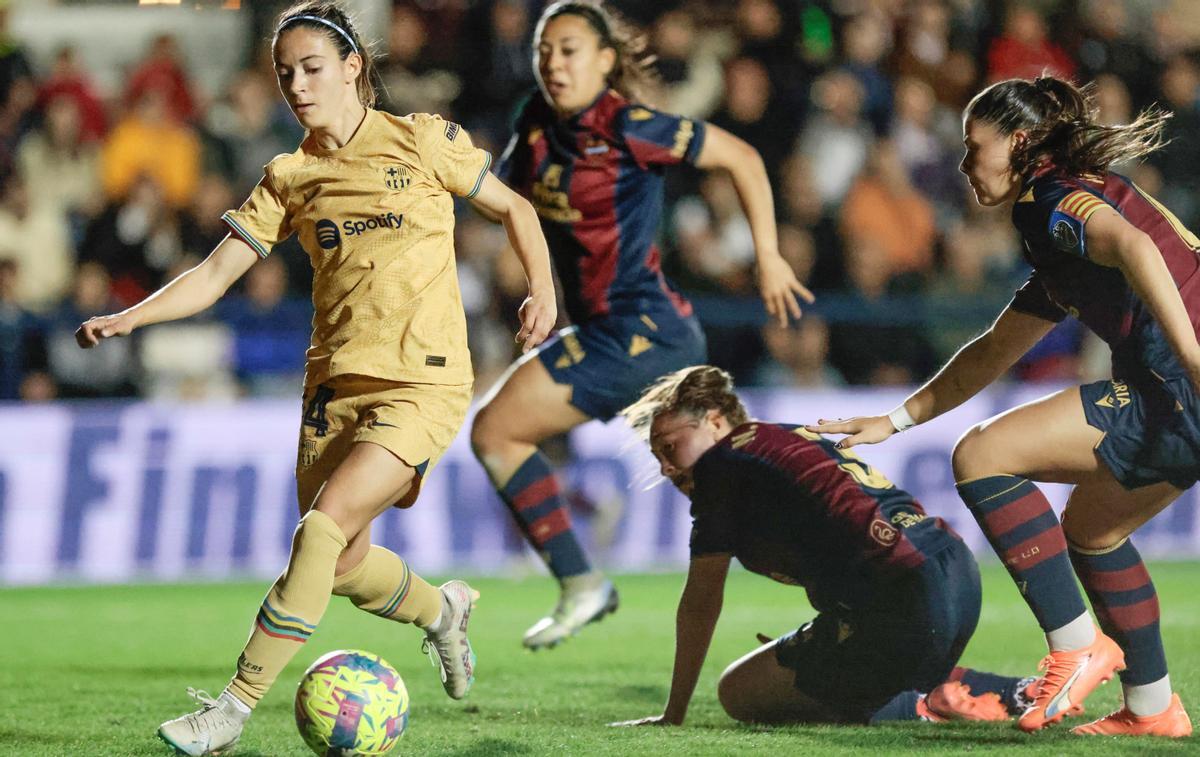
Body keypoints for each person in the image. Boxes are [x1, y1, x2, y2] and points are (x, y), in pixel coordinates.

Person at [75, 4, 556, 755]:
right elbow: (214, 274)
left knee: (322, 528)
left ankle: (230, 711)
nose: (297, 85)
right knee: (345, 560)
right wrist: (130, 318)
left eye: (312, 68)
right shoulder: (289, 175)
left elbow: (515, 208)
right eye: (284, 73)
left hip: (422, 381)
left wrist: (543, 290)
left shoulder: (422, 139)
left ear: (353, 67)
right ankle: (442, 610)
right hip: (334, 387)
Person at [809, 75, 1196, 738]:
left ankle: (1076, 646)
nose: (965, 166)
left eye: (973, 148)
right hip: (1176, 393)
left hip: (1178, 386)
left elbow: (1133, 246)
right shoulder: (1060, 228)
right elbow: (992, 351)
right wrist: (894, 419)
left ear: (1020, 142)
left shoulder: (1052, 203)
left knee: (983, 455)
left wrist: (1193, 361)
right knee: (1095, 532)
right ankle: (1154, 706)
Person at [470, 0, 811, 650]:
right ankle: (585, 582)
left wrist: (768, 254)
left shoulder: (630, 125)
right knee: (725, 496)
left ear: (605, 59)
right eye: (545, 51)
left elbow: (739, 156)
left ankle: (583, 581)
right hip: (607, 333)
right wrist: (452, 171)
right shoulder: (536, 123)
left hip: (645, 334)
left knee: (499, 431)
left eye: (569, 49)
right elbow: (505, 205)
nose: (554, 63)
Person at [610, 365, 1035, 727]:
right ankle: (1019, 692)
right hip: (957, 574)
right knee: (837, 663)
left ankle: (926, 707)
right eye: (657, 457)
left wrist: (674, 712)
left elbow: (702, 599)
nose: (666, 467)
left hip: (908, 596)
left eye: (670, 446)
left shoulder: (720, 468)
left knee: (738, 692)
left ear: (715, 420)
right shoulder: (779, 442)